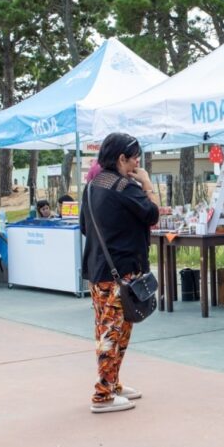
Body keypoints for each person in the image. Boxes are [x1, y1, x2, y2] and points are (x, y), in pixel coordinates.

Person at [80, 132, 159, 414]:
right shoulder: (125, 186)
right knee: (112, 332)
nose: (138, 160)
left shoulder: (92, 186)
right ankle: (102, 395)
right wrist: (147, 183)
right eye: (134, 156)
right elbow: (152, 214)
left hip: (99, 270)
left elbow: (84, 227)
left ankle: (112, 383)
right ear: (121, 158)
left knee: (116, 328)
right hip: (120, 272)